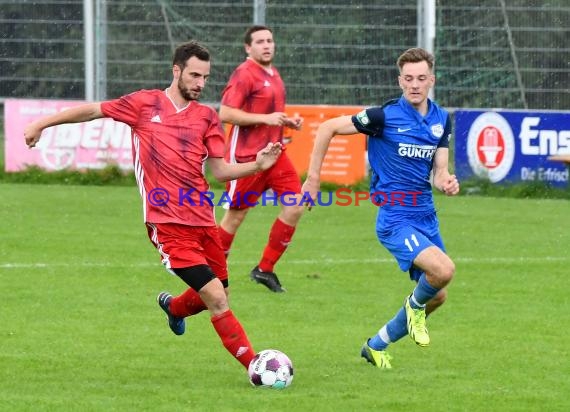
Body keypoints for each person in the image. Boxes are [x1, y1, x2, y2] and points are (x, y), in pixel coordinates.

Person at [24, 41, 284, 372]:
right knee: (216, 297)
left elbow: (219, 171)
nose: (200, 84)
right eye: (194, 75)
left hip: (203, 221)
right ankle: (256, 367)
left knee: (219, 295)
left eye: (205, 77)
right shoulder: (144, 104)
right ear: (176, 71)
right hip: (166, 223)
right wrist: (42, 124)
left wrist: (257, 166)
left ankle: (175, 308)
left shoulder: (206, 117)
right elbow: (93, 110)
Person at [301, 48, 460, 369]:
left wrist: (446, 181)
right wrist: (313, 179)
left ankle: (376, 345)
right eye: (408, 78)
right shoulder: (382, 117)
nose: (415, 84)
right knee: (443, 271)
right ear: (400, 80)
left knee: (437, 294)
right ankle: (413, 312)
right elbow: (328, 128)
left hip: (425, 215)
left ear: (432, 79)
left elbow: (439, 170)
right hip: (395, 218)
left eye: (421, 78)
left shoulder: (441, 119)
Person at [217, 25, 305, 293]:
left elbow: (268, 112)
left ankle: (265, 269)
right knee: (235, 217)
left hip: (275, 154)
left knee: (296, 205)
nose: (267, 45)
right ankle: (214, 274)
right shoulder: (244, 73)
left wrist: (287, 121)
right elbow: (226, 113)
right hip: (248, 158)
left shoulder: (273, 73)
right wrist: (265, 119)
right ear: (248, 48)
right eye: (260, 42)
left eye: (270, 40)